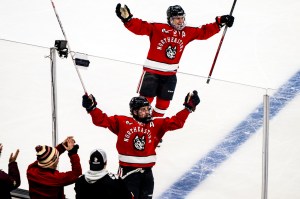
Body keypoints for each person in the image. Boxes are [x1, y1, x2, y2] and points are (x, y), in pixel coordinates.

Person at [115, 4, 234, 117]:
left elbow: (203, 32)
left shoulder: (186, 32)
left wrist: (220, 22)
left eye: (182, 18)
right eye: (177, 18)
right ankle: (140, 127)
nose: (181, 21)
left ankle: (154, 129)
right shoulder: (158, 28)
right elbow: (141, 27)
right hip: (152, 72)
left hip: (170, 75)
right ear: (170, 19)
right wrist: (128, 20)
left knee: (163, 105)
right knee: (144, 103)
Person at [81, 90, 200, 199]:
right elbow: (101, 120)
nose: (147, 112)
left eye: (148, 109)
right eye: (143, 110)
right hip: (128, 173)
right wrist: (92, 108)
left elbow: (176, 123)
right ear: (134, 111)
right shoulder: (122, 122)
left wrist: (188, 109)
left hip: (147, 174)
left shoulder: (155, 123)